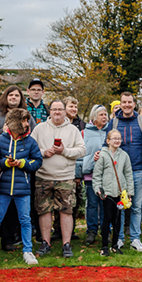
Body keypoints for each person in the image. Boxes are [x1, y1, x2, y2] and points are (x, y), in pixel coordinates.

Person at [0, 109, 42, 263]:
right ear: (15, 122)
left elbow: (38, 161)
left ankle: (28, 250)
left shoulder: (31, 141)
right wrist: (6, 163)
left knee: (25, 220)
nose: (26, 124)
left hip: (23, 189)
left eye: (26, 120)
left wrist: (22, 163)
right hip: (3, 189)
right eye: (23, 120)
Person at [31, 101, 86, 257]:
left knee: (66, 211)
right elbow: (30, 148)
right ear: (50, 111)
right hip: (43, 176)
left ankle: (66, 244)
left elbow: (82, 150)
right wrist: (43, 152)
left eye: (60, 109)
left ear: (64, 112)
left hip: (66, 177)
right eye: (54, 109)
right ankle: (45, 243)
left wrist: (64, 151)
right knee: (44, 211)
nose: (57, 112)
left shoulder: (73, 130)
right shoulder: (39, 128)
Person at [103, 92, 142, 251]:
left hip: (138, 170)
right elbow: (106, 145)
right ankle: (119, 239)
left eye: (129, 102)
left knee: (137, 206)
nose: (126, 105)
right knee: (121, 207)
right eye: (124, 102)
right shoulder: (113, 122)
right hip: (117, 173)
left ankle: (135, 238)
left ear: (134, 103)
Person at [91, 129, 133, 257]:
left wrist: (129, 192)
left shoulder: (124, 155)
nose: (117, 141)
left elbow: (128, 174)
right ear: (108, 141)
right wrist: (98, 188)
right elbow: (97, 175)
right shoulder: (102, 155)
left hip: (120, 194)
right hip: (107, 193)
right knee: (107, 219)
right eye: (114, 138)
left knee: (117, 220)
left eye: (119, 138)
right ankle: (104, 246)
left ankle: (115, 245)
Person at [81, 105, 110, 245]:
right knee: (92, 204)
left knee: (106, 204)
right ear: (93, 117)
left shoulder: (110, 131)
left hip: (106, 175)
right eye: (101, 115)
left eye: (105, 114)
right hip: (90, 175)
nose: (104, 117)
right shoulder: (84, 132)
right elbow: (80, 154)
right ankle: (91, 231)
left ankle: (106, 231)